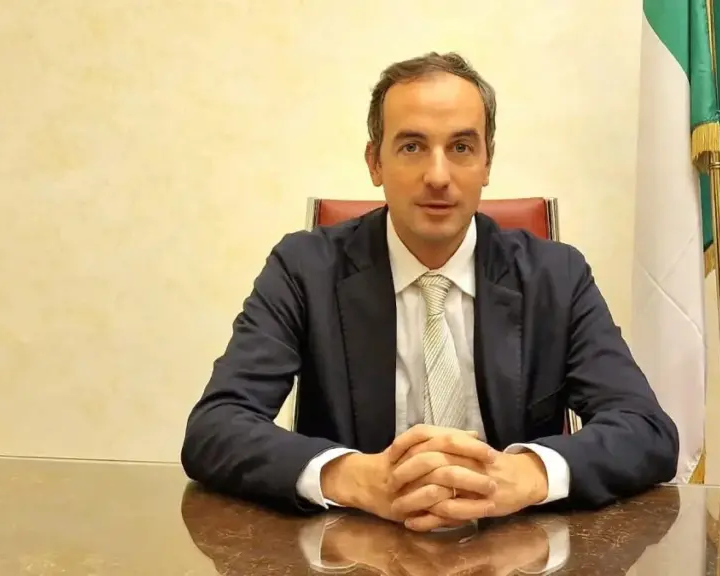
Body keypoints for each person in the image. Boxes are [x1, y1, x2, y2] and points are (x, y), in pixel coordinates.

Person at [181, 52, 679, 532]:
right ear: (375, 163)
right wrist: (353, 477)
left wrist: (527, 475)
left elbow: (646, 430)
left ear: (487, 162)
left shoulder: (556, 276)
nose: (438, 176)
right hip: (354, 553)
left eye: (461, 148)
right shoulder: (304, 269)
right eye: (412, 147)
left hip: (516, 554)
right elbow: (216, 427)